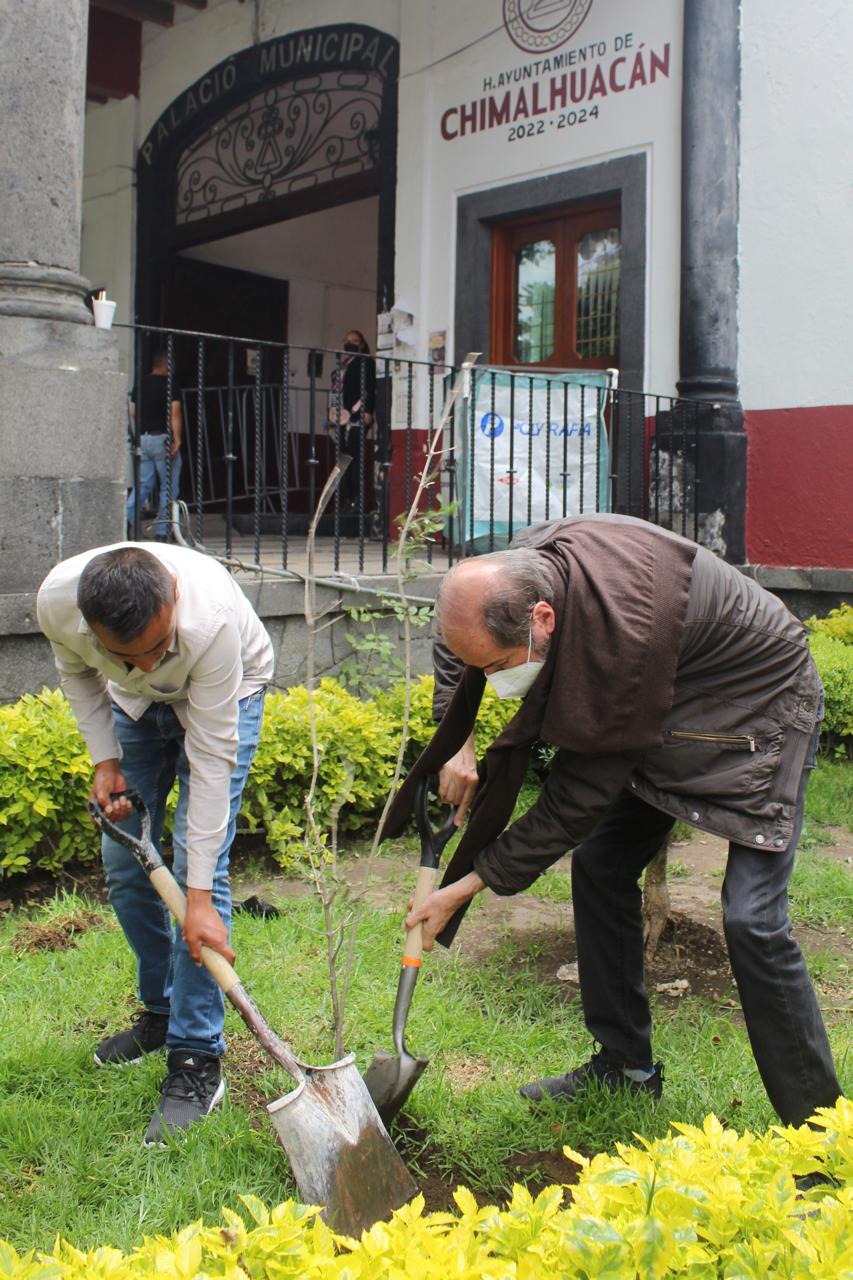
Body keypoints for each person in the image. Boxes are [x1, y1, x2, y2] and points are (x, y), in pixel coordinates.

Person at [382, 514, 843, 1127]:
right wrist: (456, 741)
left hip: (757, 703)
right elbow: (457, 645)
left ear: (542, 619)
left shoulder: (623, 639)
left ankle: (820, 1130)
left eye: (497, 666)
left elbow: (575, 800)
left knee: (751, 918)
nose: (490, 680)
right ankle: (626, 1067)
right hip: (664, 694)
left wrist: (464, 887)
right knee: (602, 865)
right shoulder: (516, 573)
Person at [37, 543, 274, 1145]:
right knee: (124, 861)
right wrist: (105, 760)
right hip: (135, 709)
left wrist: (199, 901)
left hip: (228, 690)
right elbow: (77, 674)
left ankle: (196, 1056)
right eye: (128, 655)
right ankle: (162, 1010)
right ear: (91, 627)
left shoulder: (210, 621)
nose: (147, 664)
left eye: (157, 647)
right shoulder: (57, 603)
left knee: (202, 868)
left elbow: (213, 761)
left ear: (173, 591)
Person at [127, 349, 183, 540]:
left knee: (143, 484)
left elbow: (133, 411)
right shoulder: (170, 385)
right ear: (168, 365)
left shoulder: (140, 383)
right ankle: (162, 531)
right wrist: (177, 438)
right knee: (169, 486)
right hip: (162, 439)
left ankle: (127, 519)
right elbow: (175, 412)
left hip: (143, 439)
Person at [328, 329, 376, 512]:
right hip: (341, 417)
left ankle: (358, 500)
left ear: (362, 344)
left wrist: (367, 410)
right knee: (343, 458)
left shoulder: (366, 363)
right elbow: (336, 390)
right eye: (347, 341)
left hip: (357, 415)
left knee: (355, 458)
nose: (350, 345)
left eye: (354, 341)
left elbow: (369, 388)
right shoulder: (343, 365)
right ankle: (348, 498)